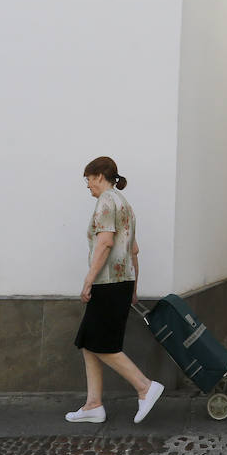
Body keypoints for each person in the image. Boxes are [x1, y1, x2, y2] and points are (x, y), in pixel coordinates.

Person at [64, 156, 164, 424]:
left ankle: (145, 387)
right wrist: (134, 287)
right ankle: (93, 404)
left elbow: (105, 243)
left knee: (103, 344)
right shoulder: (125, 205)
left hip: (107, 283)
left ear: (99, 176)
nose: (87, 186)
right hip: (122, 282)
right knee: (89, 342)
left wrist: (88, 279)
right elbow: (134, 250)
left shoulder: (106, 201)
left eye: (88, 180)